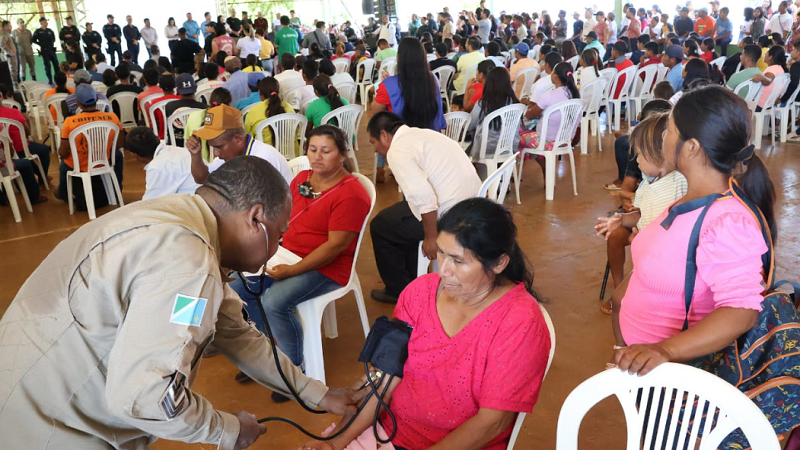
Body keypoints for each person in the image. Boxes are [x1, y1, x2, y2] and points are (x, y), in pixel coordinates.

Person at [0, 151, 365, 448]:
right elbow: (147, 397)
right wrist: (229, 430)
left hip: (28, 392)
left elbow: (235, 333)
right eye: (279, 234)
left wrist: (316, 394)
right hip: (52, 429)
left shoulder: (177, 222)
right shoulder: (188, 265)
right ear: (256, 218)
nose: (278, 246)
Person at [302, 195, 553, 450]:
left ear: (499, 263)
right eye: (441, 254)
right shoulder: (420, 292)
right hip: (389, 434)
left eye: (458, 261)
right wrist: (334, 443)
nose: (443, 270)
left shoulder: (520, 322)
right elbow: (386, 382)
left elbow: (492, 422)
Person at [610, 87, 776, 419]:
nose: (663, 139)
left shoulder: (725, 221)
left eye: (669, 130)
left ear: (692, 147)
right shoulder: (690, 199)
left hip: (674, 378)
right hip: (647, 365)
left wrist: (665, 350)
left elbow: (741, 310)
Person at [231, 124, 370, 392]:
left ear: (342, 155)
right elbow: (283, 214)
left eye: (326, 151)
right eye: (312, 149)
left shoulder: (351, 194)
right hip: (288, 254)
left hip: (327, 268)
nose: (317, 156)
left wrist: (291, 271)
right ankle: (268, 351)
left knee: (273, 301)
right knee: (239, 289)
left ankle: (293, 369)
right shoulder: (302, 179)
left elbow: (334, 247)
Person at [367, 112, 482, 304]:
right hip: (474, 205)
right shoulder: (425, 135)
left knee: (380, 227)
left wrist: (431, 236)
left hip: (451, 215)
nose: (375, 150)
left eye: (373, 142)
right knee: (397, 217)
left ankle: (398, 290)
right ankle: (413, 279)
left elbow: (424, 198)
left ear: (384, 135)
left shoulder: (397, 150)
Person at [596, 112, 688, 315]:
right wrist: (621, 219)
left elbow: (668, 232)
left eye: (640, 154)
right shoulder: (650, 181)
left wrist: (640, 236)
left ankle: (623, 344)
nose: (636, 160)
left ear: (662, 154)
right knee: (621, 298)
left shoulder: (676, 186)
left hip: (662, 260)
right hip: (646, 249)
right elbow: (642, 214)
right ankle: (622, 289)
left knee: (624, 302)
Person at [372, 37, 446, 181]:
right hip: (431, 141)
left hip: (402, 144)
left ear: (399, 58)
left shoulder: (389, 85)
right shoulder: (433, 79)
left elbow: (376, 110)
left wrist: (384, 84)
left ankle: (381, 168)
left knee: (377, 128)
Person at [55, 84, 124, 208]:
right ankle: (116, 189)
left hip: (80, 165)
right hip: (104, 161)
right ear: (97, 99)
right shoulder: (112, 118)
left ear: (77, 103)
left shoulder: (70, 122)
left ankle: (63, 192)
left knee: (64, 164)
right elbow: (119, 144)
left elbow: (63, 152)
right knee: (118, 156)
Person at [187, 103, 292, 185]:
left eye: (218, 147)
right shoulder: (230, 155)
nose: (215, 154)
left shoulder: (262, 159)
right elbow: (203, 179)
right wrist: (195, 154)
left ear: (238, 139)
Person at [518, 62, 580, 167]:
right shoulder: (575, 96)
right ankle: (547, 175)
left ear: (555, 76)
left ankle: (514, 172)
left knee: (519, 136)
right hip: (566, 140)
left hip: (547, 141)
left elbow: (530, 115)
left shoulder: (549, 95)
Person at [125, 126, 201, 199]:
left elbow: (151, 203)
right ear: (157, 138)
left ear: (134, 155)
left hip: (196, 205)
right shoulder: (179, 150)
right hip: (203, 197)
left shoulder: (157, 167)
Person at [466, 66, 519, 164]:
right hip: (508, 147)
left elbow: (470, 126)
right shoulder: (515, 104)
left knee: (466, 149)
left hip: (485, 148)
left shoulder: (482, 104)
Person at [244, 76, 295, 146]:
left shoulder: (253, 112)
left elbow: (248, 138)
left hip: (264, 156)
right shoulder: (289, 108)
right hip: (293, 155)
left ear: (260, 92)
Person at [753, 44, 787, 110]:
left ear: (770, 57)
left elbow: (768, 80)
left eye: (766, 53)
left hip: (760, 104)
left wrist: (760, 77)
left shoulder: (772, 70)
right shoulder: (780, 69)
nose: (765, 54)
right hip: (770, 103)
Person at [32, 17, 58, 84]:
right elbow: (33, 40)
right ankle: (50, 80)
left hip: (51, 50)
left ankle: (57, 79)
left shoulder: (50, 31)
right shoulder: (38, 31)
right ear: (41, 23)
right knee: (47, 66)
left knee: (56, 64)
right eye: (45, 22)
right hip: (44, 50)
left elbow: (54, 39)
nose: (46, 23)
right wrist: (40, 44)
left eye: (46, 21)